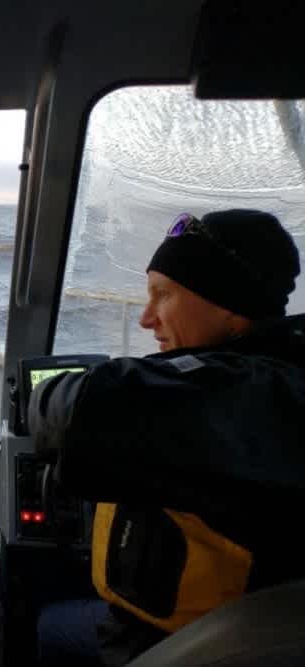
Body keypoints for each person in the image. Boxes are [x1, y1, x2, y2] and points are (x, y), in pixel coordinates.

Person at [28, 209, 305, 666]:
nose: (145, 319)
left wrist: (45, 399)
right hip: (228, 628)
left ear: (231, 306)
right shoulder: (277, 373)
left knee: (50, 625)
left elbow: (74, 410)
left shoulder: (243, 397)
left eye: (164, 295)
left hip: (184, 646)